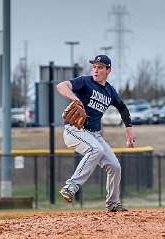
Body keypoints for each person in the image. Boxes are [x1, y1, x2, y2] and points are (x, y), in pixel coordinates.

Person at [56, 55, 135, 212]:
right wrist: (75, 99)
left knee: (115, 166)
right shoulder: (85, 82)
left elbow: (123, 108)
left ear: (108, 70)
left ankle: (113, 203)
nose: (96, 70)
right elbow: (61, 86)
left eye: (100, 67)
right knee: (95, 149)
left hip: (94, 134)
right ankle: (70, 187)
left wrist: (129, 129)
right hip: (75, 131)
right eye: (94, 67)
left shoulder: (109, 91)